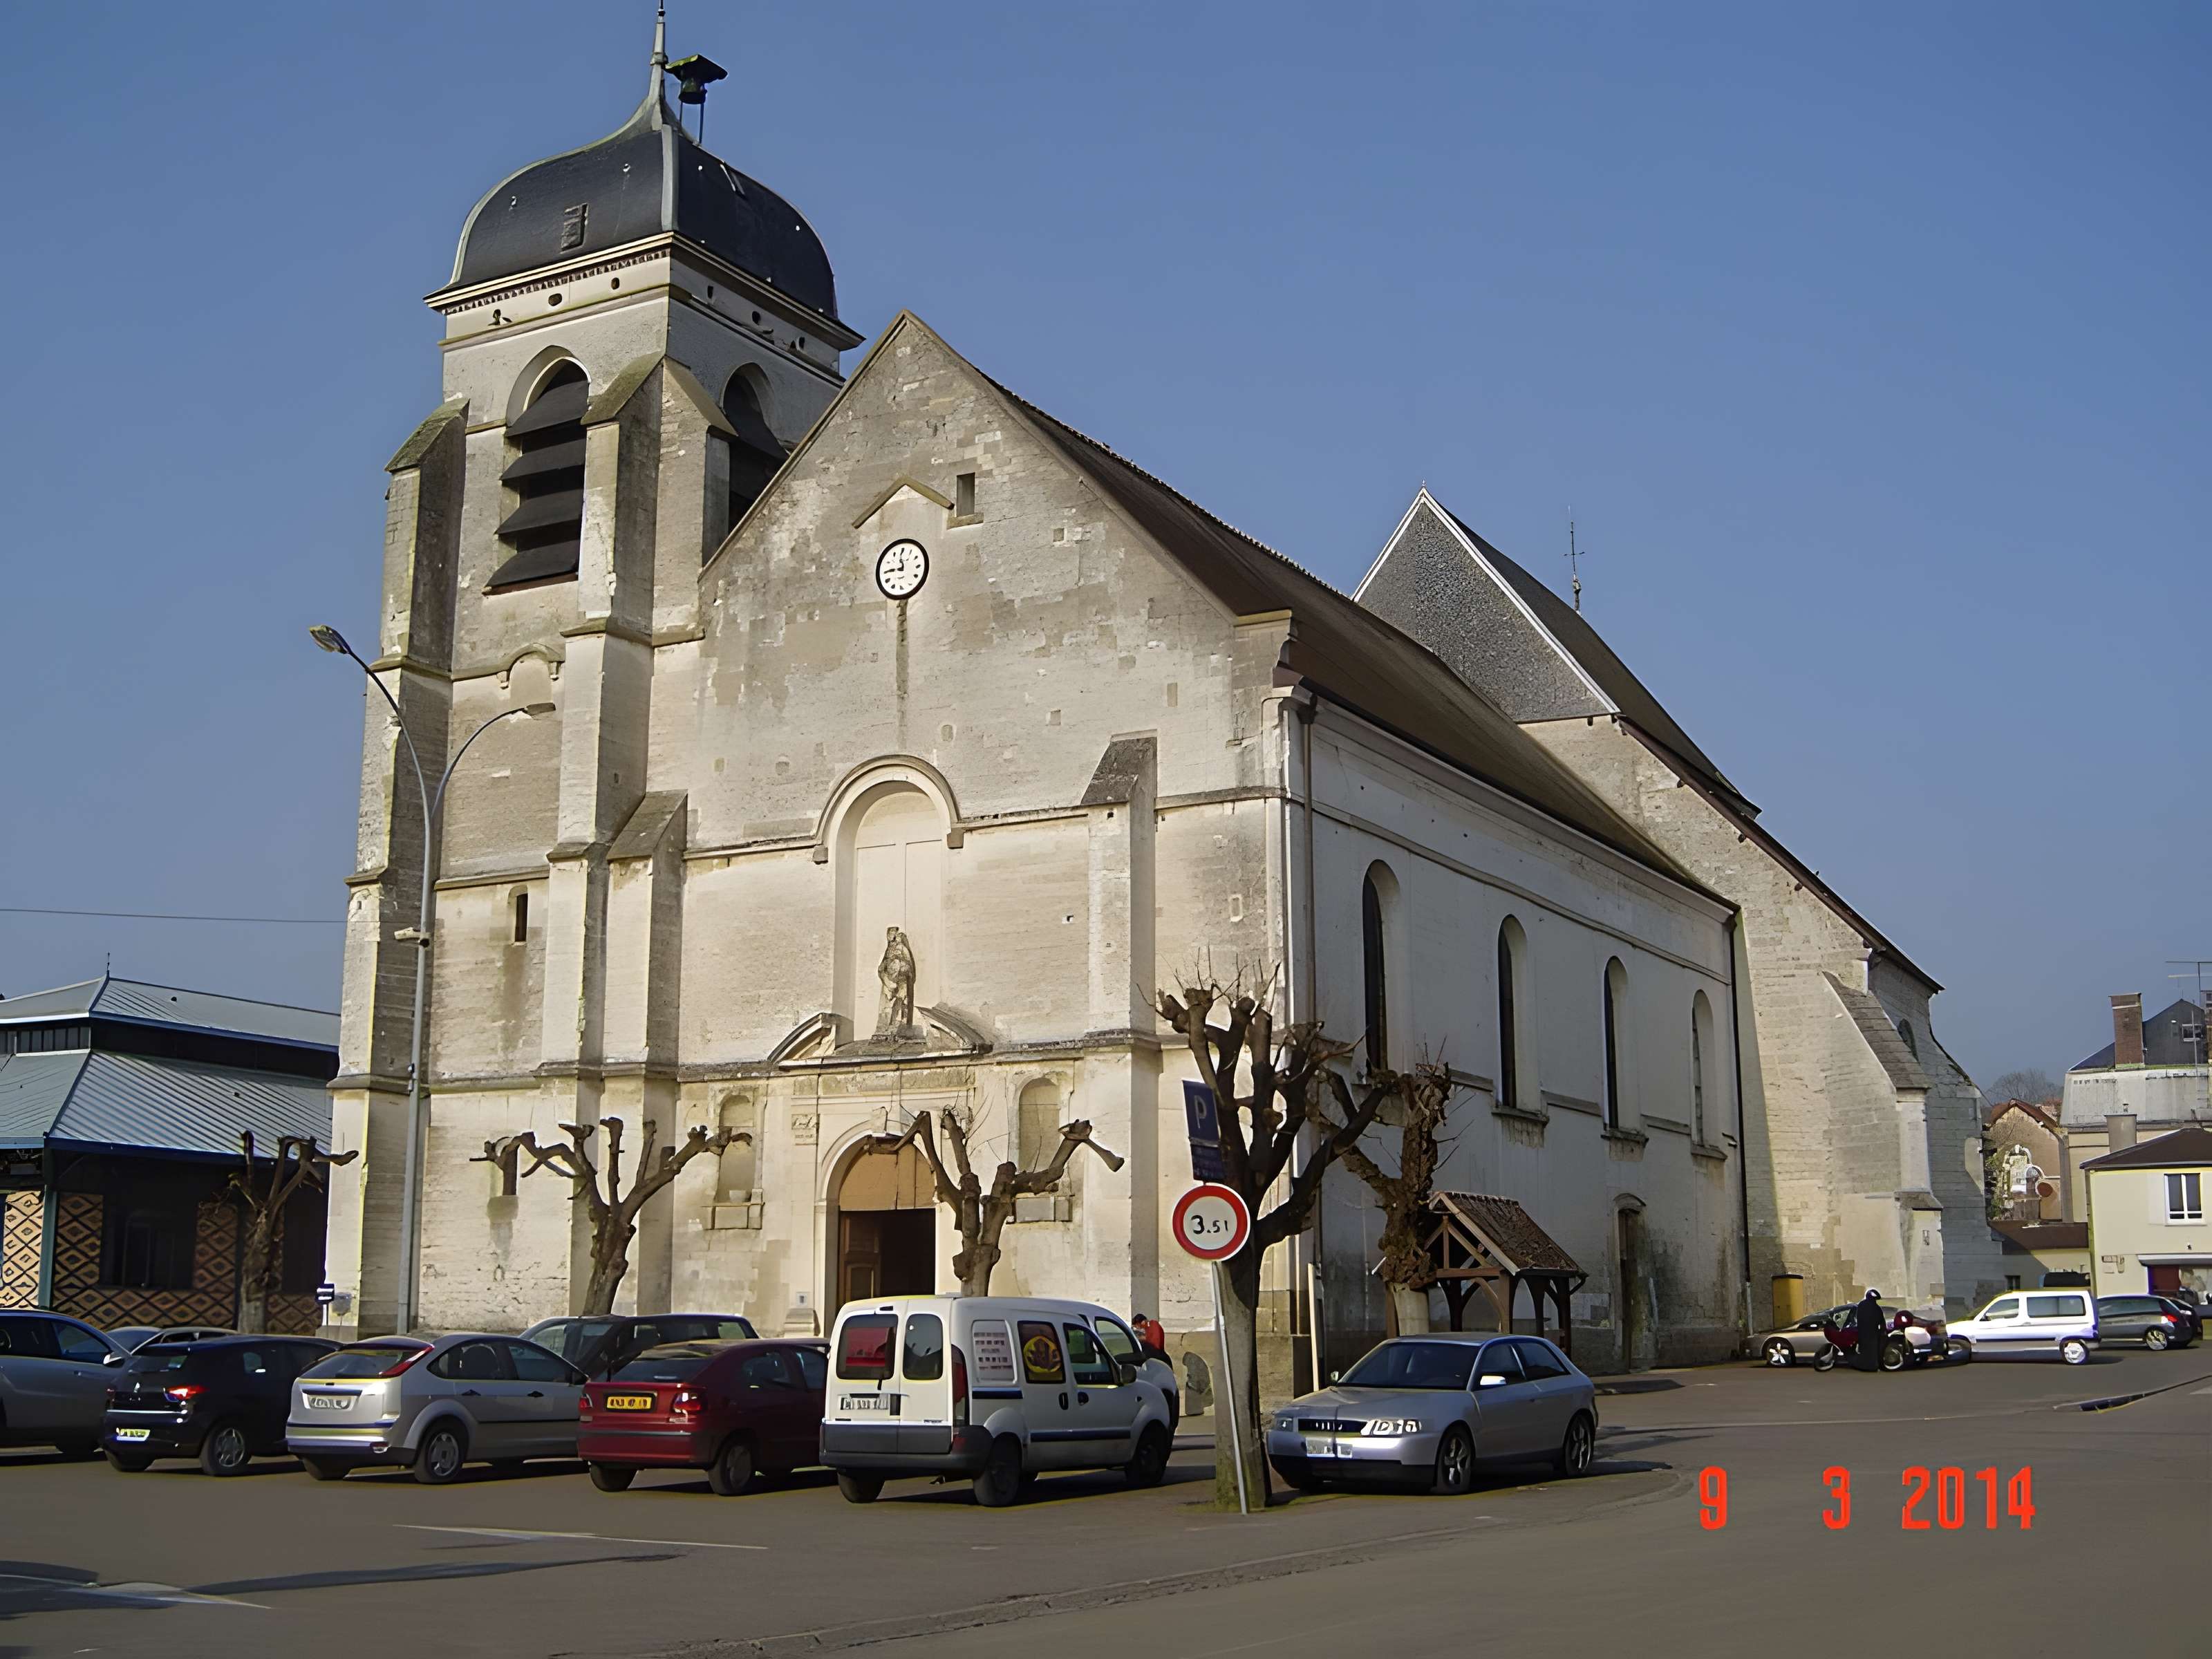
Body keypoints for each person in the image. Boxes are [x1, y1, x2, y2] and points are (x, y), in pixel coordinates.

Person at [1850, 1288, 1886, 1372]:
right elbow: (1882, 1322)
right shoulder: (1876, 1308)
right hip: (1872, 1333)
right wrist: (1882, 1332)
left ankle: (1864, 1366)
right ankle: (1872, 1367)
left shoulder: (1862, 1305)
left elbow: (1858, 1319)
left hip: (1863, 1332)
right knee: (1872, 1350)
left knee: (1865, 1350)